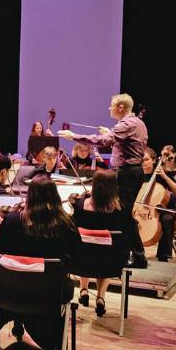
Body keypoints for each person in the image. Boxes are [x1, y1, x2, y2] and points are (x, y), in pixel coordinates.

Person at [0, 178, 80, 350]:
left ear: (29, 196)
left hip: (11, 293)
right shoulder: (65, 223)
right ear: (55, 196)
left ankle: (18, 321)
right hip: (49, 295)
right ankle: (53, 341)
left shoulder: (12, 221)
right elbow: (77, 256)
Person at [59, 93, 149, 267]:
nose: (109, 108)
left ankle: (137, 256)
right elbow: (122, 141)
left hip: (127, 174)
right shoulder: (137, 122)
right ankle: (128, 253)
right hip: (130, 172)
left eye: (111, 105)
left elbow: (103, 141)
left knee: (122, 215)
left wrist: (74, 136)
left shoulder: (126, 123)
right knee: (120, 214)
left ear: (121, 107)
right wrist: (110, 132)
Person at [71, 169, 137, 316]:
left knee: (86, 247)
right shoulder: (120, 210)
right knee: (104, 252)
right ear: (114, 187)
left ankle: (83, 290)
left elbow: (73, 230)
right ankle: (100, 298)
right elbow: (127, 237)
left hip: (81, 262)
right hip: (110, 262)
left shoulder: (80, 205)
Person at [137, 146, 176, 262]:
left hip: (162, 209)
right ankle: (134, 253)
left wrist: (164, 176)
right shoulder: (137, 175)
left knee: (167, 219)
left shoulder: (160, 174)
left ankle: (164, 256)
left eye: (146, 159)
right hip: (140, 208)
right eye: (141, 160)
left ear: (154, 160)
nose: (143, 163)